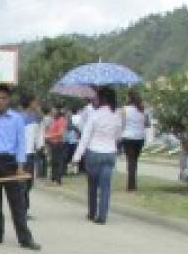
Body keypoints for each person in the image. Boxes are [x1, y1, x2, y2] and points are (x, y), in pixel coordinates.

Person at [0, 85, 40, 250]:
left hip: (10, 162)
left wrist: (20, 166)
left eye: (3, 98)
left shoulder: (17, 119)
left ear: (8, 100)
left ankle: (25, 238)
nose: (0, 101)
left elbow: (21, 144)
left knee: (17, 202)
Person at [72, 86, 123, 224]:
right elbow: (118, 137)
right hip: (109, 153)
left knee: (93, 185)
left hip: (94, 153)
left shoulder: (94, 115)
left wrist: (76, 157)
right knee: (106, 187)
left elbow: (85, 138)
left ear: (101, 98)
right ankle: (102, 216)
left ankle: (92, 211)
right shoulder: (116, 116)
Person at [18, 92, 44, 215]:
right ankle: (22, 210)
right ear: (29, 103)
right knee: (22, 183)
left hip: (31, 154)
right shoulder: (19, 118)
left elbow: (40, 126)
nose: (36, 104)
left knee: (29, 183)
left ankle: (24, 208)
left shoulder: (35, 117)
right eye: (34, 102)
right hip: (22, 155)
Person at [121, 91, 148, 191]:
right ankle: (133, 182)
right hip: (139, 138)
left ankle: (131, 184)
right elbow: (146, 124)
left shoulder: (125, 109)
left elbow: (122, 124)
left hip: (128, 137)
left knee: (130, 160)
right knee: (134, 160)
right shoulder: (142, 110)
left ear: (129, 98)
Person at [45, 105, 68, 184]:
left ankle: (58, 179)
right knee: (54, 161)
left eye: (54, 110)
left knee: (58, 161)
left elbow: (61, 133)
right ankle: (53, 178)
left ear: (58, 111)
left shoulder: (61, 120)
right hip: (52, 143)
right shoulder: (54, 120)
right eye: (52, 110)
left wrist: (50, 136)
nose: (52, 112)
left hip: (58, 143)